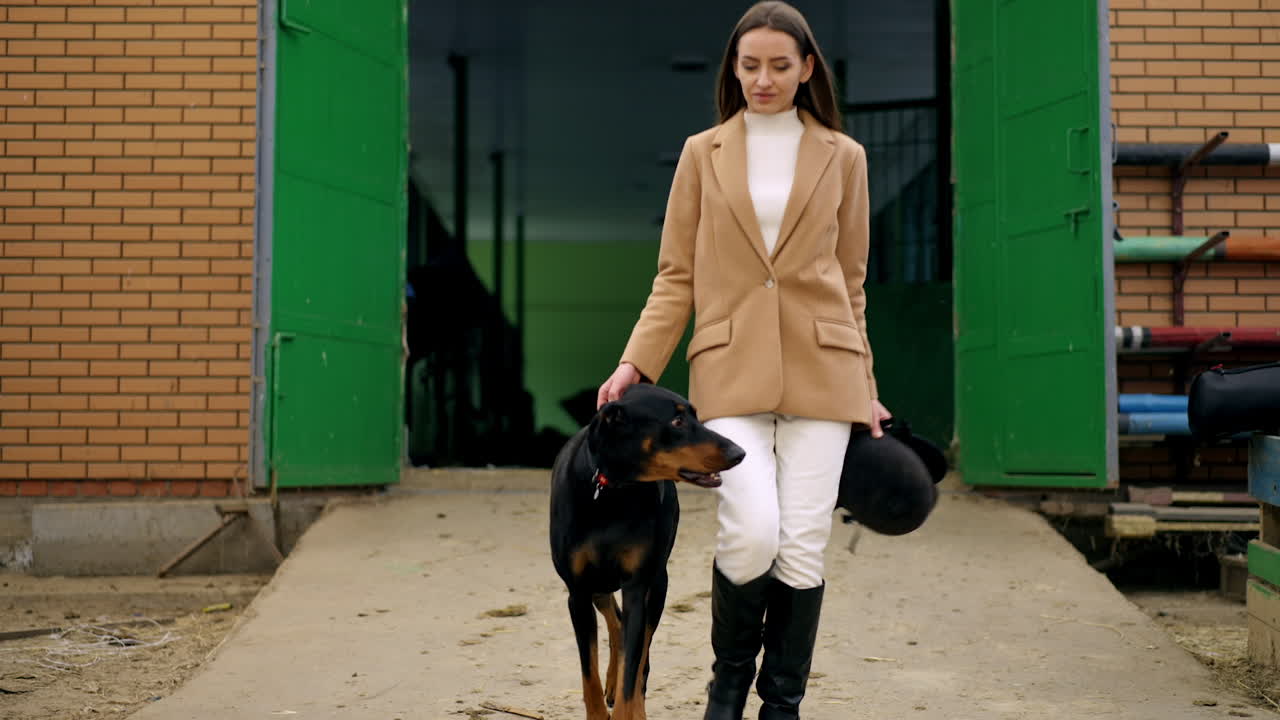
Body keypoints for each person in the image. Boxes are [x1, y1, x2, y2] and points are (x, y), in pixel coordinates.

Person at [595, 2, 890, 718]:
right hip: (729, 371)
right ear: (733, 67)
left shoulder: (845, 157)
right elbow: (675, 277)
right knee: (752, 528)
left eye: (780, 66)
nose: (763, 78)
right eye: (750, 64)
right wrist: (637, 363)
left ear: (807, 68)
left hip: (825, 373)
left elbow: (851, 283)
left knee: (803, 545)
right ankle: (727, 686)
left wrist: (867, 385)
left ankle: (780, 705)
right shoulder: (703, 153)